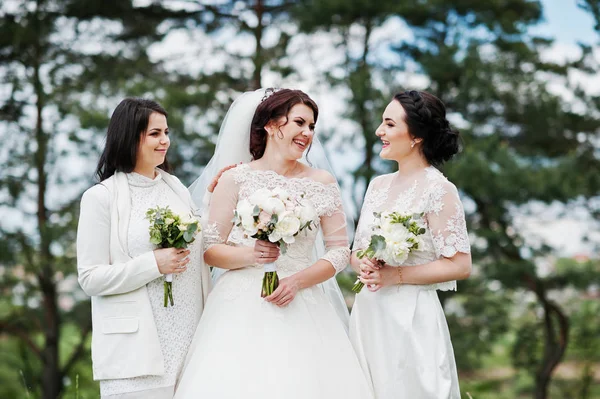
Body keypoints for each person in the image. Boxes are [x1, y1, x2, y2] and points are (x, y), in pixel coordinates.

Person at [175, 88, 373, 398]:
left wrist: (297, 281)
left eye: (311, 127)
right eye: (299, 123)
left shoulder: (322, 182)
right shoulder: (234, 179)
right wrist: (252, 254)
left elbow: (339, 251)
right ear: (270, 125)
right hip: (239, 306)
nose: (307, 133)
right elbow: (211, 250)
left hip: (304, 303)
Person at [76, 98, 212, 398]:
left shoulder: (176, 187)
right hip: (137, 352)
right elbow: (90, 278)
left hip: (191, 344)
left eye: (166, 132)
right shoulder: (100, 198)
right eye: (155, 133)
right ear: (129, 135)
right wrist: (154, 264)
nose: (165, 141)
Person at [349, 90, 472, 399]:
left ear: (416, 135)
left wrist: (396, 276)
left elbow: (459, 264)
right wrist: (363, 264)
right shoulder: (378, 185)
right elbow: (357, 251)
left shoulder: (439, 189)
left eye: (389, 124)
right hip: (369, 312)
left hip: (412, 317)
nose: (379, 131)